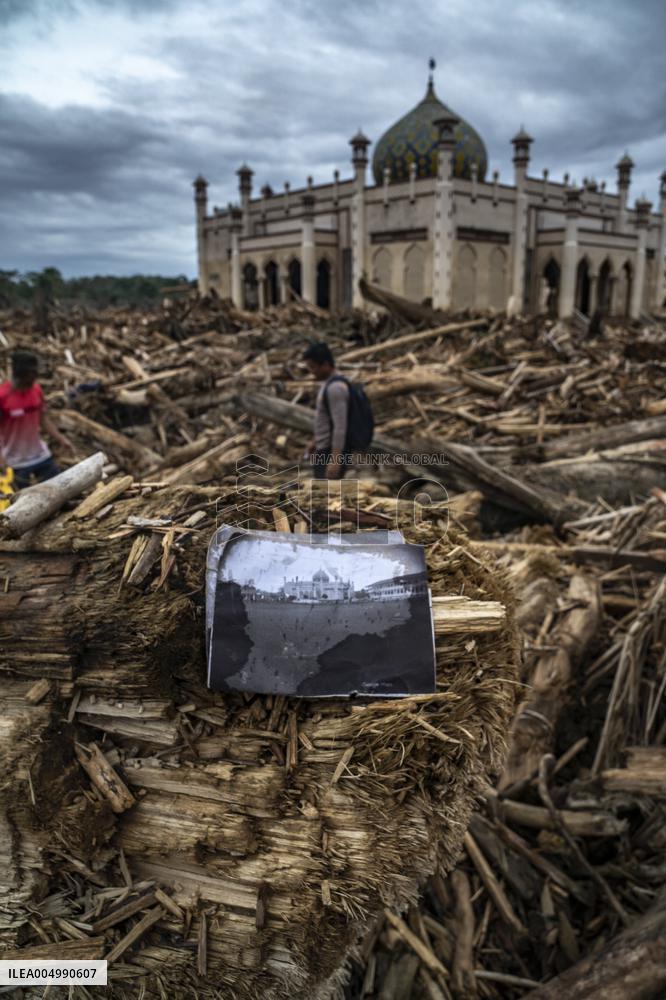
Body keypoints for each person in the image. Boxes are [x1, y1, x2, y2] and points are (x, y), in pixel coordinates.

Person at [0, 348, 74, 489]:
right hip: (15, 462)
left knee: (59, 490)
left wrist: (61, 439)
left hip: (41, 455)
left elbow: (43, 419)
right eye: (32, 373)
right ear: (21, 374)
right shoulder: (2, 397)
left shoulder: (36, 390)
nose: (35, 377)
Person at [302, 342, 350, 480]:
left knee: (325, 497)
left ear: (326, 365)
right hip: (324, 448)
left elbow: (340, 427)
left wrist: (335, 460)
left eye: (313, 367)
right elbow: (327, 419)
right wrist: (315, 441)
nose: (312, 371)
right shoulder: (330, 384)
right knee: (323, 495)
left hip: (330, 452)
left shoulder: (336, 388)